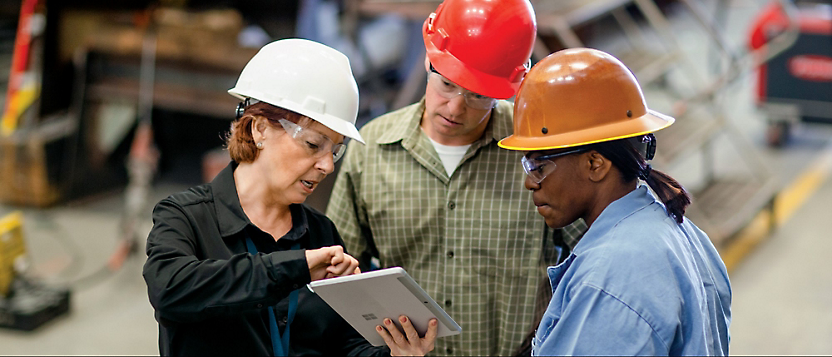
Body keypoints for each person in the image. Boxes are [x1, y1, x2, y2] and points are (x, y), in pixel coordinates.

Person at [142, 38, 437, 356]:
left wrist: (393, 353)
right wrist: (294, 269)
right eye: (313, 144)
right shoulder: (186, 217)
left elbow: (343, 344)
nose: (326, 165)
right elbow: (170, 291)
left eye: (335, 151)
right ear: (259, 129)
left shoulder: (321, 234)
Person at [326, 0, 586, 355]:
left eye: (478, 95)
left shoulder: (536, 147)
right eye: (446, 84)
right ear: (427, 58)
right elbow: (342, 273)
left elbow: (592, 257)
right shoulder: (371, 150)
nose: (455, 107)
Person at [497, 47, 732, 355]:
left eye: (539, 167)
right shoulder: (685, 233)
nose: (530, 183)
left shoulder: (608, 279)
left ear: (595, 163)